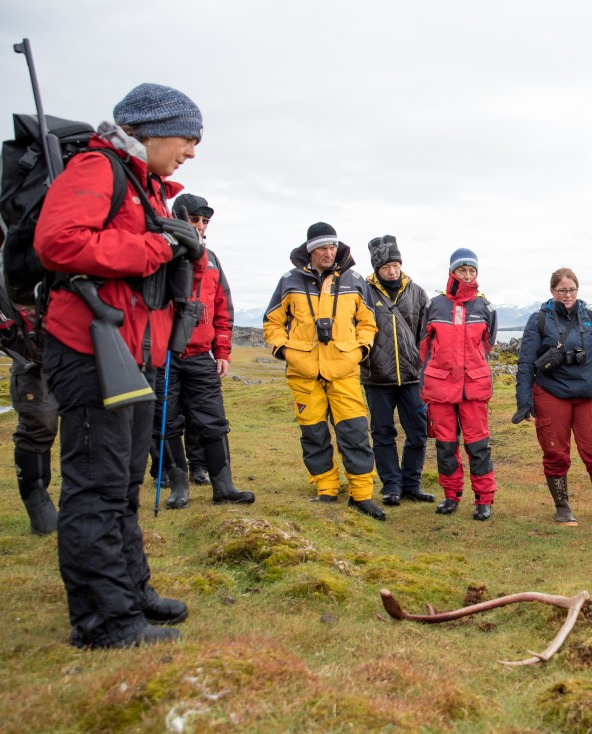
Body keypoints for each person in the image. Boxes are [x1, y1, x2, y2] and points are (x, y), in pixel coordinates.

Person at [35, 82, 203, 647]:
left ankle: (130, 592)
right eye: (187, 137)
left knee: (124, 482)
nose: (191, 151)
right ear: (152, 130)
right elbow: (58, 243)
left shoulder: (143, 185)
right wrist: (159, 248)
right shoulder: (97, 169)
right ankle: (103, 622)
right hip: (89, 352)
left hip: (132, 355)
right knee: (96, 487)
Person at [263, 222, 384, 519]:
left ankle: (362, 494)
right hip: (303, 372)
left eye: (332, 246)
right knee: (314, 435)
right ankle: (326, 489)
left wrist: (358, 351)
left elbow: (368, 323)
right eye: (322, 247)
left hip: (343, 370)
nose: (328, 252)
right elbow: (272, 323)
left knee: (354, 433)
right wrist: (287, 351)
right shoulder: (289, 281)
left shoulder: (355, 280)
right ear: (310, 250)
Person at [152, 193, 255, 509]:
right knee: (167, 422)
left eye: (204, 221)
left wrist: (222, 351)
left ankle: (223, 486)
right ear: (178, 218)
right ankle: (177, 486)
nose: (199, 225)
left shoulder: (212, 259)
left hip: (200, 354)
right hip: (164, 355)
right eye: (194, 219)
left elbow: (223, 306)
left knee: (213, 421)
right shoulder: (159, 252)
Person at [514, 267, 592, 527]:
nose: (568, 295)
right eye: (562, 290)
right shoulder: (538, 320)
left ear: (578, 290)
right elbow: (525, 363)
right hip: (551, 393)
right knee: (555, 451)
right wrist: (524, 400)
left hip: (587, 395)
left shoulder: (590, 318)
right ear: (552, 291)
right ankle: (562, 506)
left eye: (572, 290)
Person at [0, 205, 60, 535]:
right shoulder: (11, 205)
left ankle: (87, 503)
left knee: (93, 423)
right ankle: (38, 503)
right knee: (40, 420)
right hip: (30, 341)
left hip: (80, 335)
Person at [420, 249, 497, 520]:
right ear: (452, 272)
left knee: (478, 446)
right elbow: (424, 347)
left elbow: (486, 346)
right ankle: (451, 495)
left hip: (473, 389)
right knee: (445, 445)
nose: (467, 275)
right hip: (440, 388)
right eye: (462, 270)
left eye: (472, 271)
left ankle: (484, 499)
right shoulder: (435, 306)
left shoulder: (485, 308)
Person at [360, 235, 434, 506]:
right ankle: (391, 486)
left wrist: (423, 365)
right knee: (382, 433)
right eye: (385, 266)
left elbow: (425, 334)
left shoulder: (417, 292)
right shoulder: (363, 291)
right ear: (376, 268)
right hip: (376, 377)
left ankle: (412, 484)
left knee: (418, 431)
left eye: (395, 265)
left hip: (412, 377)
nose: (392, 271)